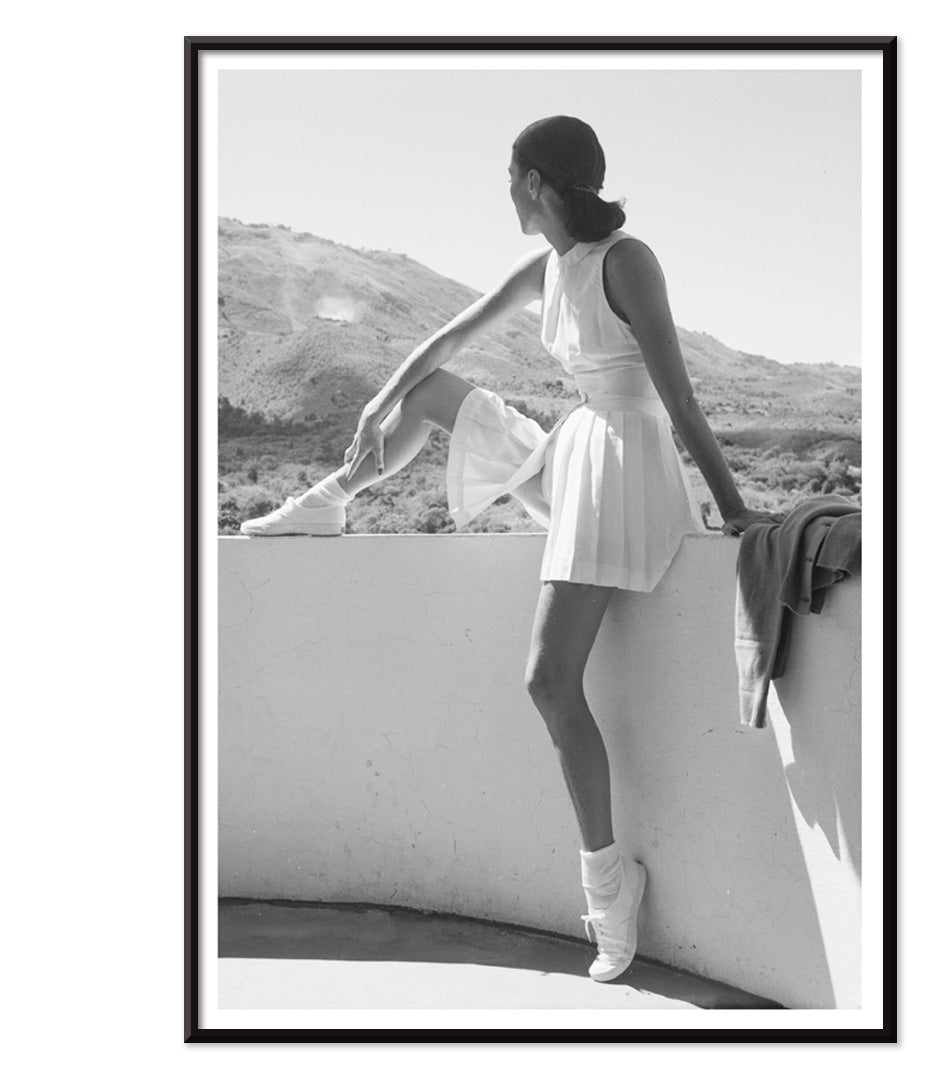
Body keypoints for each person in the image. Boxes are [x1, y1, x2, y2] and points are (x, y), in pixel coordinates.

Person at [240, 116, 782, 982]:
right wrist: (381, 400)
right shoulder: (547, 268)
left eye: (509, 176)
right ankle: (327, 503)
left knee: (546, 678)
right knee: (436, 394)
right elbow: (448, 340)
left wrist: (734, 509)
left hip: (625, 466)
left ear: (536, 184)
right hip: (579, 454)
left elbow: (677, 395)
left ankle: (611, 891)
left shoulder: (627, 261)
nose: (504, 190)